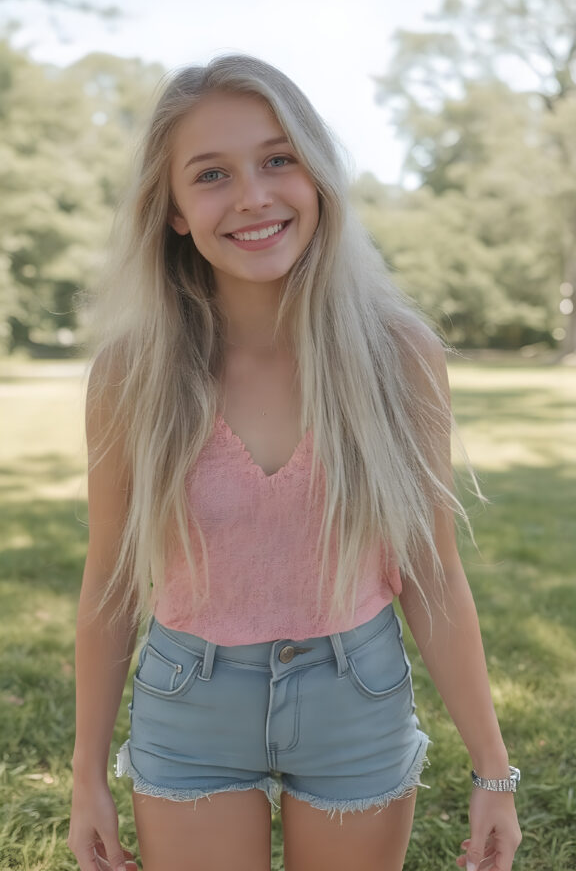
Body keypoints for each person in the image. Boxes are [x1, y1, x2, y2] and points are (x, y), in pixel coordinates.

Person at [67, 55, 522, 871]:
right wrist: (86, 776)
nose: (253, 196)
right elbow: (110, 582)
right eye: (212, 174)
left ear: (316, 176)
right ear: (174, 211)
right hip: (189, 702)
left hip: (358, 696)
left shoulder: (398, 355)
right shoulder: (131, 374)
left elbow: (431, 572)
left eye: (278, 159)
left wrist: (494, 771)